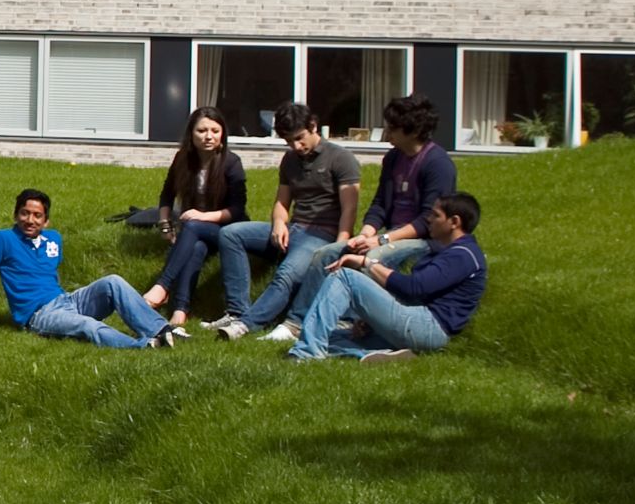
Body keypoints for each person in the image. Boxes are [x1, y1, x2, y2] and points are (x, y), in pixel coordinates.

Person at [205, 102, 361, 341]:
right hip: (294, 228)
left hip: (322, 234)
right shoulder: (290, 159)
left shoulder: (341, 158)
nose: (296, 146)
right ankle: (237, 310)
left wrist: (339, 247)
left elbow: (349, 209)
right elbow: (282, 202)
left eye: (299, 138)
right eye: (289, 141)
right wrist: (278, 223)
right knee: (230, 233)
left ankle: (245, 325)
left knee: (286, 273)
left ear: (313, 126)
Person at [0, 187, 178, 349]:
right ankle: (143, 345)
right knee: (87, 325)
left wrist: (66, 302)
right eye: (24, 213)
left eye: (37, 215)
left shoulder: (54, 239)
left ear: (46, 221)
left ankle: (161, 330)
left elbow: (50, 274)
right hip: (39, 315)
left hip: (67, 301)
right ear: (16, 214)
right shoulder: (1, 239)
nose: (30, 220)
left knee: (113, 282)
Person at [288, 191, 488, 361]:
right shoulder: (451, 251)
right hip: (418, 321)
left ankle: (305, 354)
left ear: (454, 222)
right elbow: (416, 294)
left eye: (436, 215)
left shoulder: (463, 255)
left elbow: (413, 287)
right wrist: (372, 319)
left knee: (344, 277)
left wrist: (368, 263)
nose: (429, 219)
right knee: (335, 336)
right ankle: (378, 354)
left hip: (429, 327)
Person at [142, 109, 248, 330]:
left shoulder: (231, 162)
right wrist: (165, 225)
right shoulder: (183, 159)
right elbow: (167, 195)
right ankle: (180, 311)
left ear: (222, 134)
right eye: (202, 130)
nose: (209, 136)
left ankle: (162, 286)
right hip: (196, 232)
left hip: (226, 230)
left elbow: (238, 210)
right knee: (196, 248)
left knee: (191, 226)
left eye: (215, 131)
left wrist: (203, 217)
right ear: (191, 133)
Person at [336, 93, 457, 273]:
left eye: (393, 128)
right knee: (328, 253)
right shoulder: (393, 158)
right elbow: (380, 205)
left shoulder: (438, 165)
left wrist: (382, 240)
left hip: (425, 242)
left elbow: (428, 220)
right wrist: (365, 235)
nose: (387, 132)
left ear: (415, 131)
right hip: (391, 236)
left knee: (367, 261)